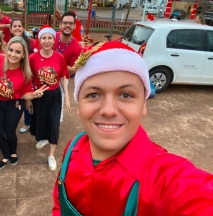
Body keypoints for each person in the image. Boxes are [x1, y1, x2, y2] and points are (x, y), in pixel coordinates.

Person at [52, 41, 213, 215]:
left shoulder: (164, 177)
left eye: (126, 95)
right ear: (79, 105)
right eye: (93, 94)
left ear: (143, 104)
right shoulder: (72, 149)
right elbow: (59, 204)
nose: (108, 110)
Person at [0, 36, 48, 170]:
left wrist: (34, 95)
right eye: (11, 50)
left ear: (23, 55)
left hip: (14, 104)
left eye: (18, 52)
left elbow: (25, 94)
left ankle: (13, 153)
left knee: (10, 132)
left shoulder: (25, 73)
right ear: (6, 50)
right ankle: (6, 154)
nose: (13, 54)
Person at [29, 26, 70, 171]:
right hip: (39, 96)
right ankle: (45, 138)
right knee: (41, 121)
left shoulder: (59, 57)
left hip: (55, 96)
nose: (47, 41)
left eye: (50, 38)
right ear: (39, 40)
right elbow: (29, 78)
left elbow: (64, 76)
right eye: (43, 38)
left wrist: (67, 97)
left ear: (54, 40)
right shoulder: (32, 58)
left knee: (54, 123)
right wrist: (30, 96)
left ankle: (51, 154)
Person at [9, 18, 36, 133]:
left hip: (30, 75)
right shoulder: (9, 43)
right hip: (15, 75)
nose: (17, 28)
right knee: (18, 98)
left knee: (29, 100)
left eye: (19, 26)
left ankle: (29, 122)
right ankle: (19, 122)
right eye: (14, 26)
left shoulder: (30, 42)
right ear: (11, 29)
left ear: (23, 28)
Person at [55, 10, 82, 122]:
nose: (67, 25)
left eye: (70, 23)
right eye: (65, 23)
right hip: (43, 74)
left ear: (75, 26)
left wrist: (54, 64)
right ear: (60, 24)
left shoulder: (76, 47)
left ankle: (55, 124)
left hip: (61, 79)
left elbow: (73, 69)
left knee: (58, 101)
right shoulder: (51, 37)